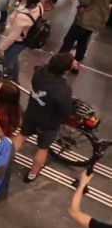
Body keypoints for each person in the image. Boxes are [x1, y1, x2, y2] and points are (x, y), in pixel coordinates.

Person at [14, 53, 75, 183]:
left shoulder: (39, 72)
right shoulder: (63, 89)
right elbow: (66, 111)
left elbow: (44, 67)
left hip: (31, 113)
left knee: (21, 136)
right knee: (42, 149)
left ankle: (4, 161)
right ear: (65, 70)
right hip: (48, 123)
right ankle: (31, 174)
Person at [59, 0, 112, 73]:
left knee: (69, 40)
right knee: (83, 41)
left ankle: (57, 65)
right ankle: (76, 64)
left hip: (86, 16)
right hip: (100, 16)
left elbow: (85, 0)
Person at [0, 0, 43, 82]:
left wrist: (2, 46)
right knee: (13, 58)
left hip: (18, 41)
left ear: (28, 0)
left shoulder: (23, 17)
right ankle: (13, 78)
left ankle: (10, 80)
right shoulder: (39, 6)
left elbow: (14, 35)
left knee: (8, 60)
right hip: (27, 38)